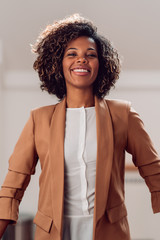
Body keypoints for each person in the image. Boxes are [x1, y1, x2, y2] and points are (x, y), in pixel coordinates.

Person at [0, 13, 160, 240]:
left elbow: (154, 171)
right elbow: (13, 186)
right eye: (72, 54)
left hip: (109, 232)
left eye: (90, 55)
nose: (81, 60)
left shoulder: (123, 115)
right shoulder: (39, 120)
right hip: (54, 232)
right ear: (59, 63)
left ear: (101, 64)